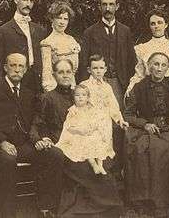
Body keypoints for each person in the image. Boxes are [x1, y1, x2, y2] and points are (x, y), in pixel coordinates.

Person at [0, 53, 64, 218]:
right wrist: (1, 142)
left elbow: (36, 121)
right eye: (13, 66)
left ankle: (46, 207)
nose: (17, 70)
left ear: (26, 70)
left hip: (22, 145)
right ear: (5, 68)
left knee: (55, 155)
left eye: (21, 66)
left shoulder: (28, 93)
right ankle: (7, 214)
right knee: (7, 160)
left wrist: (40, 139)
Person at [31, 59, 123, 217]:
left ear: (73, 74)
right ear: (54, 75)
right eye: (60, 72)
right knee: (82, 168)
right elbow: (37, 124)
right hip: (62, 143)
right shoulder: (47, 98)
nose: (65, 75)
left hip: (84, 140)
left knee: (103, 164)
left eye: (68, 72)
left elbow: (95, 114)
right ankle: (79, 208)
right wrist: (41, 138)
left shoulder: (80, 94)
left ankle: (105, 208)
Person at [124, 52, 169, 218]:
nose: (159, 68)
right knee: (148, 150)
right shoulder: (139, 87)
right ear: (148, 66)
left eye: (163, 65)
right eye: (156, 64)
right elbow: (128, 114)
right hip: (147, 128)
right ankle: (148, 200)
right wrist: (145, 124)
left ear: (168, 68)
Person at [77, 0, 136, 108]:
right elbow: (84, 62)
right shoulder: (89, 32)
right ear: (99, 7)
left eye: (111, 4)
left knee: (117, 117)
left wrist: (129, 83)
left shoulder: (125, 31)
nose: (108, 8)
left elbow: (131, 60)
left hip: (119, 82)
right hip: (96, 82)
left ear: (117, 6)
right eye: (104, 5)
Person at [56, 83, 128, 175]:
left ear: (88, 97)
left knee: (98, 139)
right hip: (79, 133)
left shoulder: (90, 109)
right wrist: (79, 131)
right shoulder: (73, 110)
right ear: (73, 97)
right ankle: (94, 165)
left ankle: (100, 165)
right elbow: (69, 126)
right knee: (86, 142)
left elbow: (94, 121)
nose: (80, 98)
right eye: (77, 95)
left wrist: (93, 128)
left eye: (83, 95)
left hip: (89, 131)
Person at [0, 0, 47, 94]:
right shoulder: (3, 31)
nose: (28, 4)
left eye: (31, 1)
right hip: (15, 81)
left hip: (36, 82)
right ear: (16, 0)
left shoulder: (39, 30)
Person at [79, 55, 129, 169]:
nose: (98, 71)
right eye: (95, 68)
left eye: (101, 68)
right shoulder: (84, 85)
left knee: (103, 146)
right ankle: (94, 168)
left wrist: (119, 120)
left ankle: (102, 168)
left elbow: (113, 106)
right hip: (90, 121)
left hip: (104, 122)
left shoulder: (107, 87)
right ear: (89, 70)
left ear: (105, 69)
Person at [126, 9, 169, 95]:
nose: (156, 26)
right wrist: (131, 88)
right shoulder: (141, 48)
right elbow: (139, 74)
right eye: (153, 24)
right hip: (147, 92)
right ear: (149, 26)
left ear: (166, 25)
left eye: (159, 22)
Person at [40, 1, 80, 92]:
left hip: (72, 88)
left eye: (65, 19)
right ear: (52, 19)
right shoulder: (47, 43)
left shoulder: (71, 40)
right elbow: (47, 73)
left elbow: (75, 69)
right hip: (56, 89)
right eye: (59, 18)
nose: (62, 22)